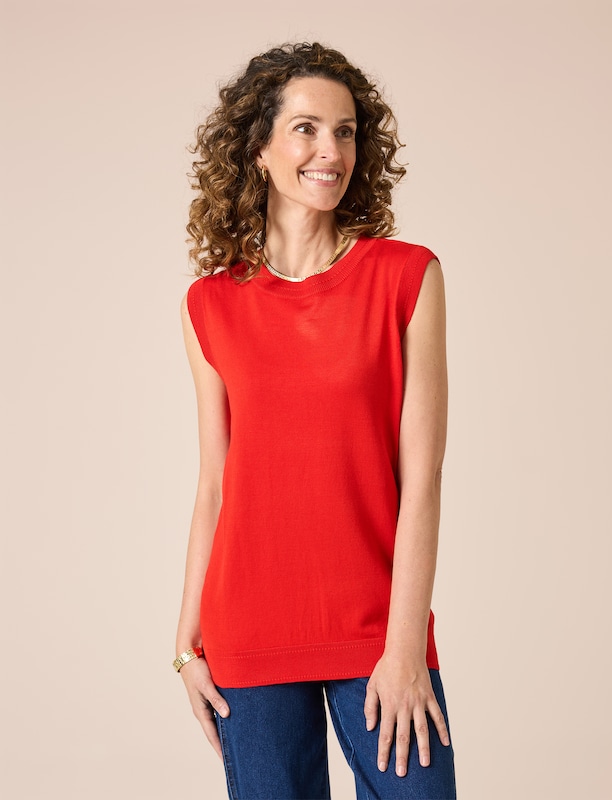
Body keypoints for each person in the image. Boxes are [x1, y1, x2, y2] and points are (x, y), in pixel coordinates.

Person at [174, 41, 456, 800]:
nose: (331, 150)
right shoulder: (210, 305)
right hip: (247, 632)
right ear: (257, 148)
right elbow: (215, 485)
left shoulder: (406, 278)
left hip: (378, 630)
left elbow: (422, 480)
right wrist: (185, 644)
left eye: (346, 131)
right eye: (306, 129)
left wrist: (405, 648)